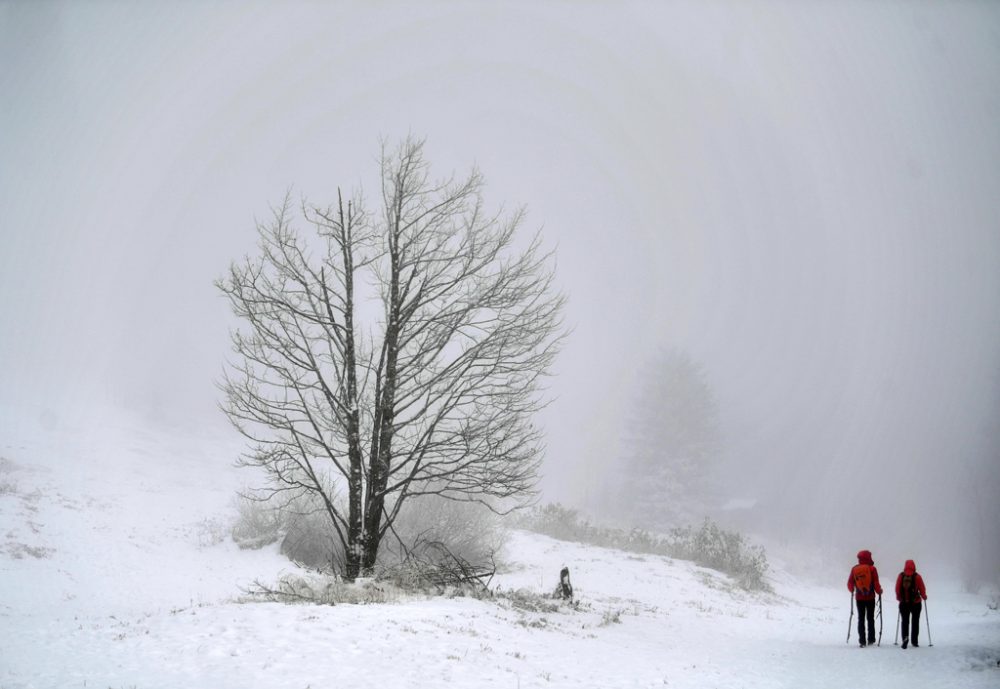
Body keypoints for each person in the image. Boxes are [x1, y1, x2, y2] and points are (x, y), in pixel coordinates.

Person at [848, 549, 883, 647]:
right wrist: (879, 591)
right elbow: (876, 583)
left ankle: (862, 640)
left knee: (861, 619)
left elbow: (850, 583)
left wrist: (852, 590)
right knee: (870, 618)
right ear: (868, 557)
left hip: (859, 598)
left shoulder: (854, 569)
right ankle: (871, 639)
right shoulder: (872, 569)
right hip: (870, 597)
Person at [895, 559, 927, 649]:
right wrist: (924, 596)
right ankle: (914, 641)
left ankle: (905, 639)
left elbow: (897, 589)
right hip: (916, 603)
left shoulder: (901, 576)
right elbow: (922, 589)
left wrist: (899, 598)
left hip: (904, 603)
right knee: (915, 622)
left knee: (905, 621)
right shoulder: (917, 577)